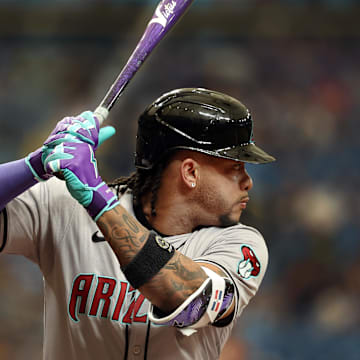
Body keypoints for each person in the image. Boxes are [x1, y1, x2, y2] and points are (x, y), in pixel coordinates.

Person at [0, 87, 275, 360]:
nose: (248, 181)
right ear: (190, 172)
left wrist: (99, 199)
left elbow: (188, 299)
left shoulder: (240, 244)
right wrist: (33, 166)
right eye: (235, 168)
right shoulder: (65, 207)